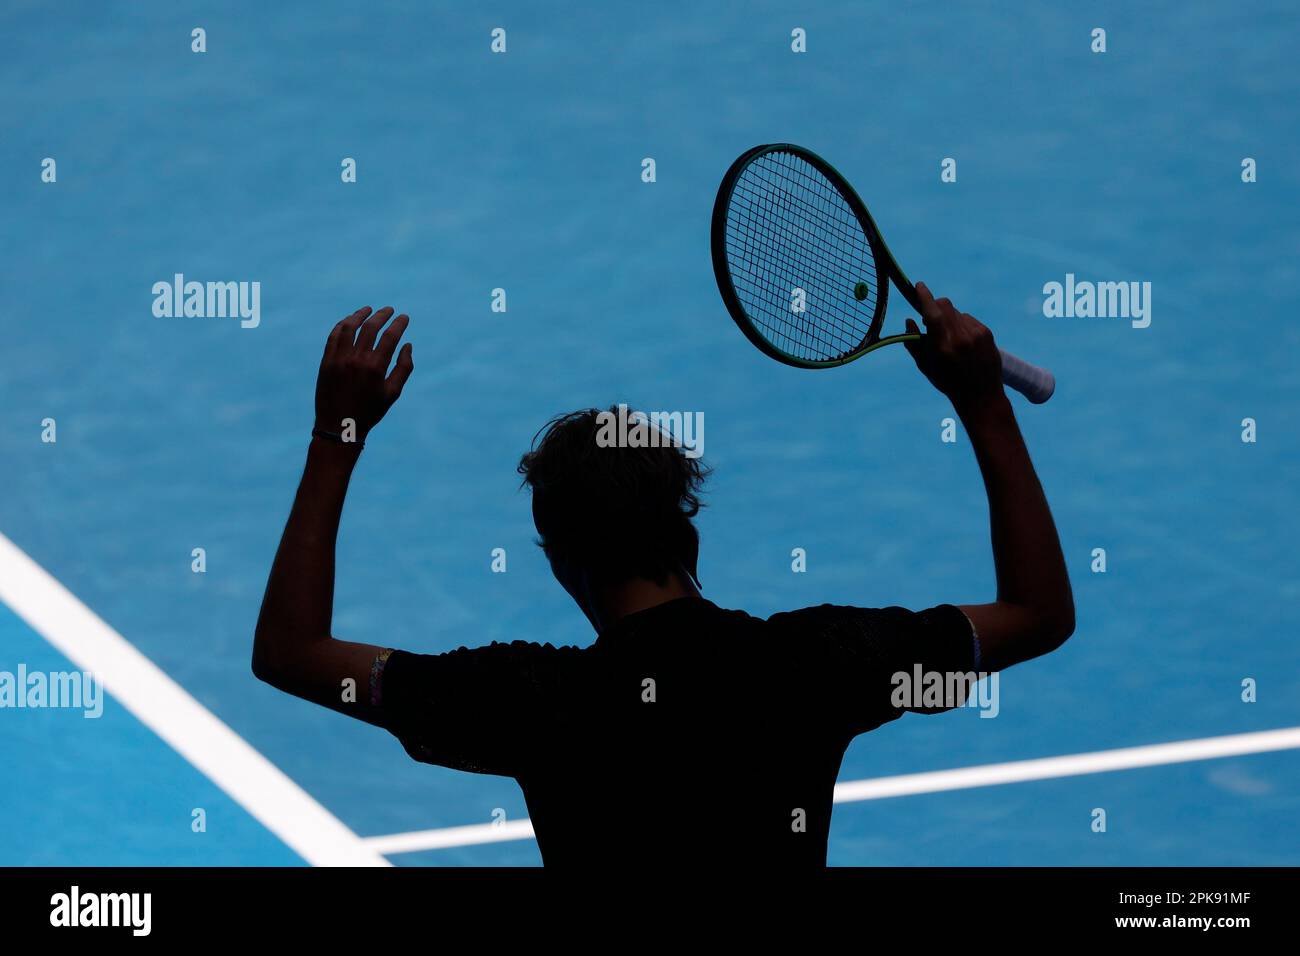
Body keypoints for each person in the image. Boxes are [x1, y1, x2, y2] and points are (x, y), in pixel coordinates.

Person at [252, 286, 1074, 867]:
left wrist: (339, 432)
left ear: (561, 562)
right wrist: (982, 402)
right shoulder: (821, 663)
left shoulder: (529, 701)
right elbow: (1038, 613)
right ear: (688, 532)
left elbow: (290, 652)